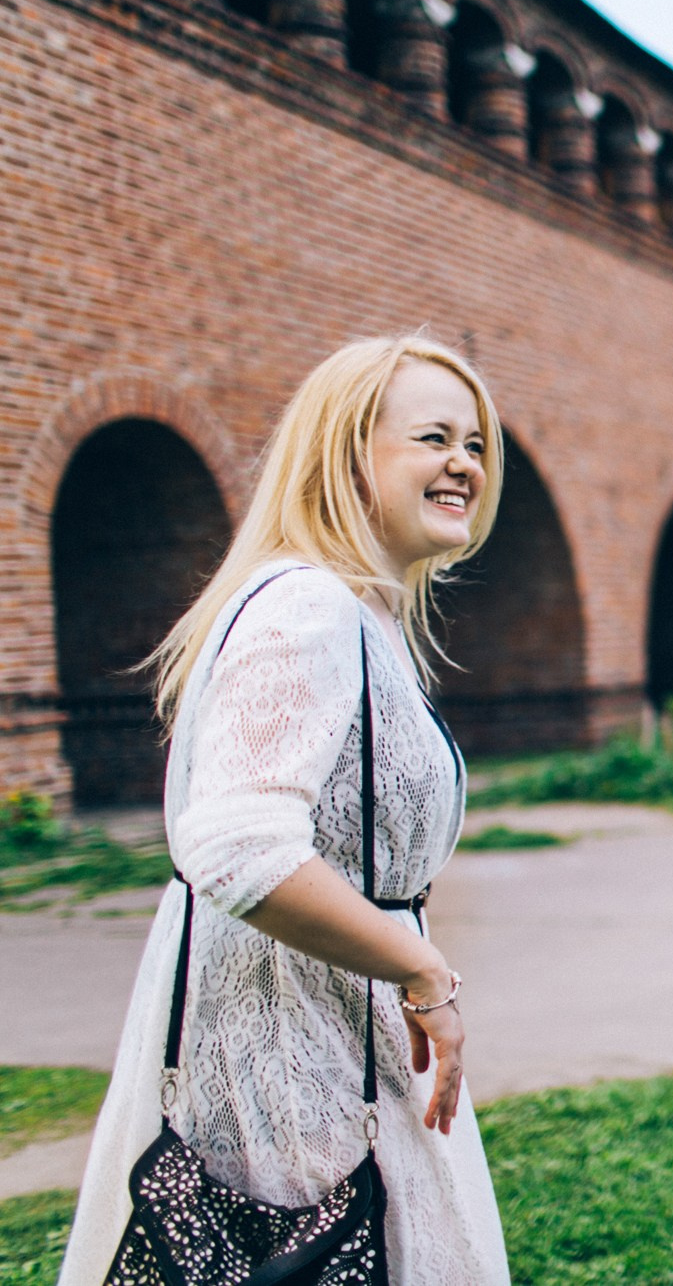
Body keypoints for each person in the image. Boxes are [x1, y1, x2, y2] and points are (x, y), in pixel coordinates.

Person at [60, 337, 512, 1285]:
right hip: (294, 1085)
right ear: (348, 454)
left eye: (475, 443)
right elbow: (235, 844)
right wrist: (423, 970)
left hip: (339, 1046)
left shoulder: (366, 615)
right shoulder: (307, 606)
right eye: (433, 437)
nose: (465, 463)